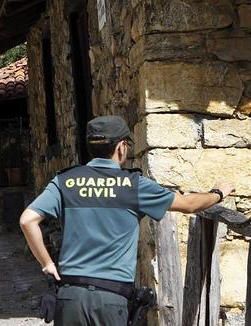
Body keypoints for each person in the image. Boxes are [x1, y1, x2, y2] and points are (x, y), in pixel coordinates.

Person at [19, 115, 235, 325]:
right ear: (122, 147)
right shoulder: (134, 185)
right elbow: (189, 204)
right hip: (111, 299)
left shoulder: (65, 181)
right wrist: (218, 193)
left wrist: (47, 264)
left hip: (70, 297)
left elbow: (27, 220)